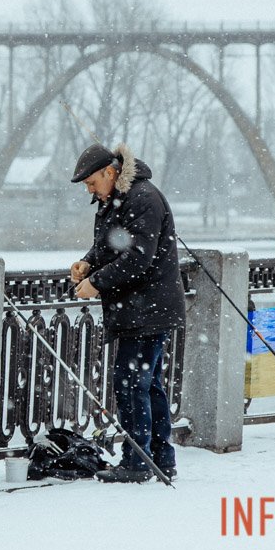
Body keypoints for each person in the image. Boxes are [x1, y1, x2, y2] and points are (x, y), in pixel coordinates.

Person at [69, 142, 185, 483]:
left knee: (132, 383)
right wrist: (88, 261)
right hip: (139, 307)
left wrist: (96, 283)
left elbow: (137, 258)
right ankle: (160, 458)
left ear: (110, 172)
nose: (89, 190)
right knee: (147, 385)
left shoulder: (143, 198)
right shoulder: (117, 198)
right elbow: (111, 242)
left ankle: (136, 462)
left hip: (147, 308)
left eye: (91, 183)